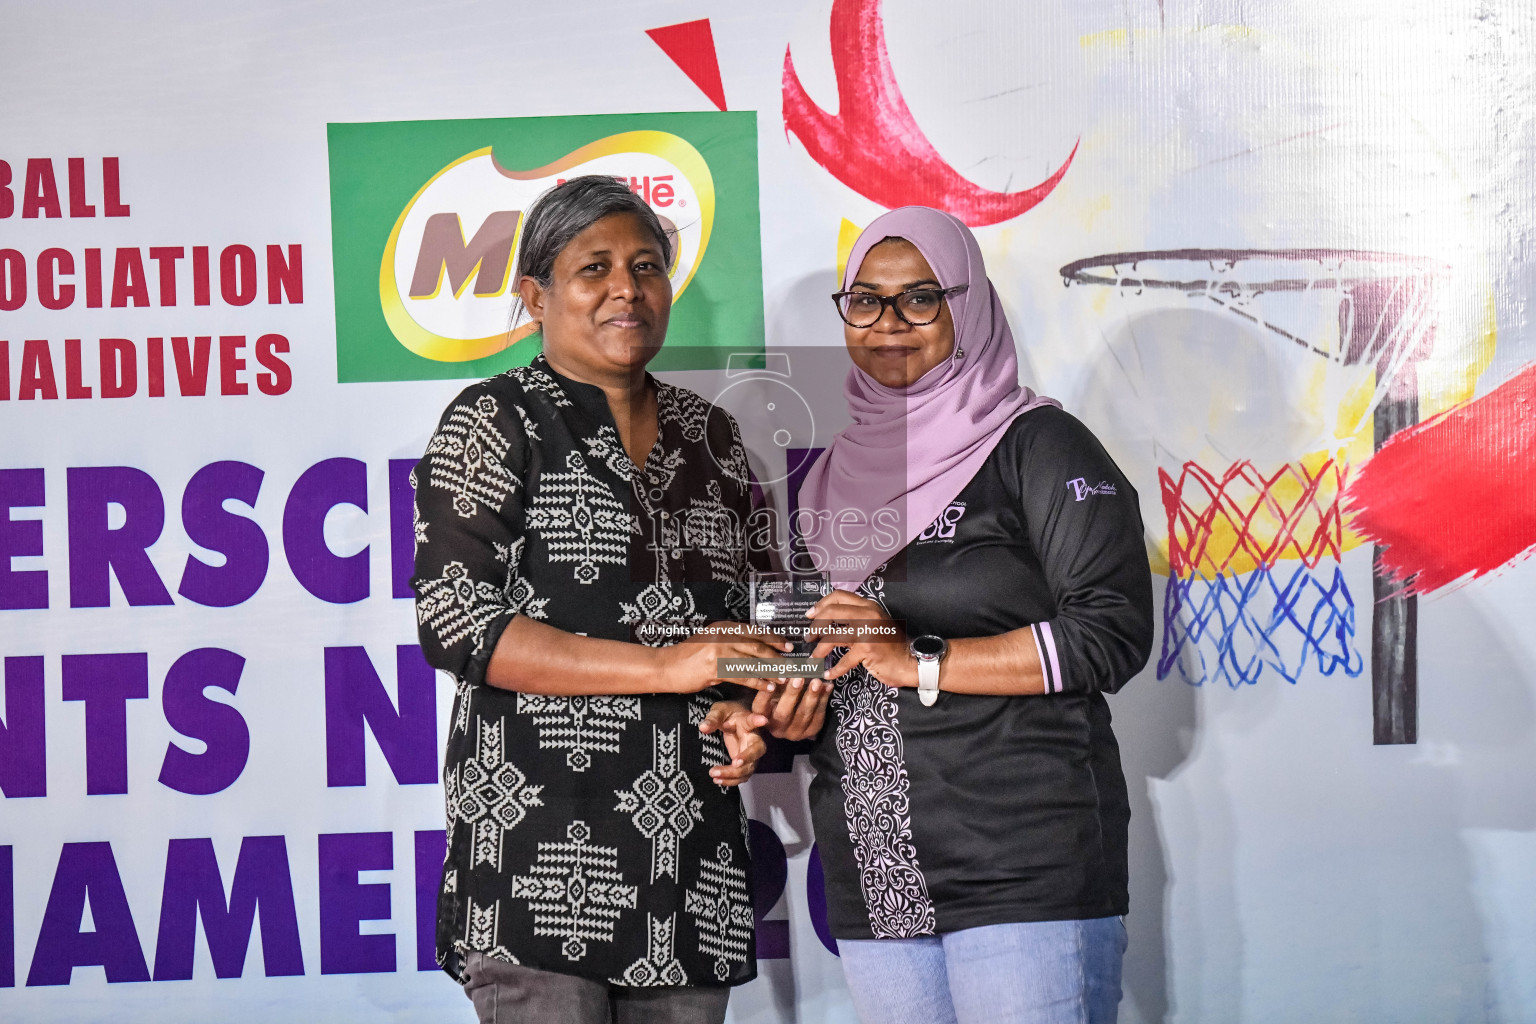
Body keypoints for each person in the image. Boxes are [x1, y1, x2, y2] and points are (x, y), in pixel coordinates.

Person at [411, 175, 784, 1024]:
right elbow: (460, 624)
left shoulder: (712, 437)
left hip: (692, 862)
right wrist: (667, 668)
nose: (627, 288)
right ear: (536, 295)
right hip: (537, 867)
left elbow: (751, 616)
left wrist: (741, 701)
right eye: (596, 268)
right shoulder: (490, 422)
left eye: (646, 265)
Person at [768, 206, 1154, 1024]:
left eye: (920, 299)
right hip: (879, 875)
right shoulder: (825, 479)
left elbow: (1111, 631)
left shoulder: (1037, 444)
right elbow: (828, 652)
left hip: (1022, 867)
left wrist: (920, 659)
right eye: (865, 301)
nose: (888, 325)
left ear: (967, 304)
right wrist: (775, 709)